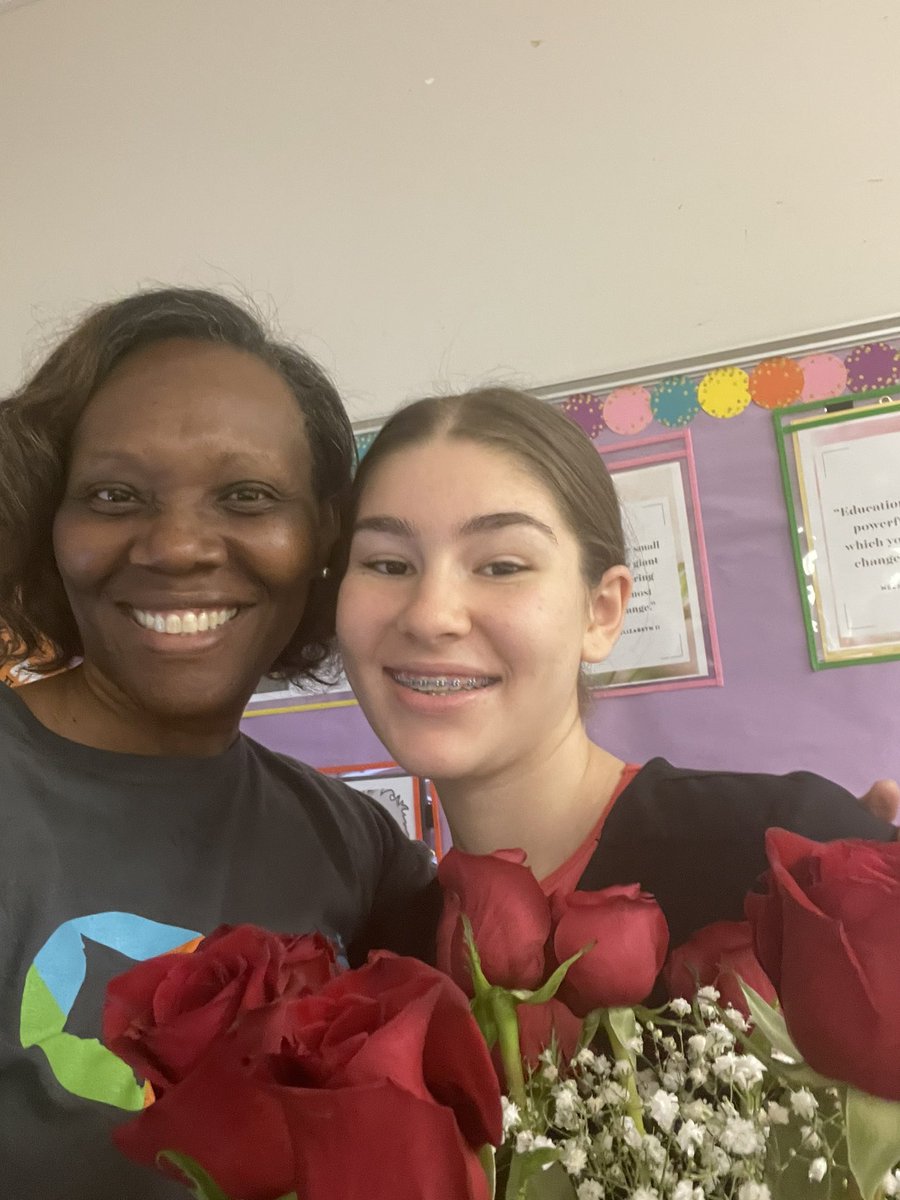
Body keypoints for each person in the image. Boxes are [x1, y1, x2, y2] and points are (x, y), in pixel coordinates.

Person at [0, 288, 435, 1199]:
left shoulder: (358, 851)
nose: (180, 546)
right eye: (115, 495)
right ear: (51, 526)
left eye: (246, 496)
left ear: (323, 536)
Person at [335, 386, 898, 956]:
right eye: (387, 564)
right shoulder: (390, 950)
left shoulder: (787, 857)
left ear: (602, 611)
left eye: (501, 565)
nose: (430, 616)